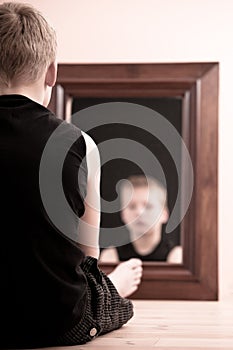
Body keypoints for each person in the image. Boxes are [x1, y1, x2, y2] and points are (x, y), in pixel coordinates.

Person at [0, 3, 141, 348]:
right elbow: (87, 258)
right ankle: (117, 286)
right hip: (58, 323)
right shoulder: (81, 145)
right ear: (51, 72)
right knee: (111, 297)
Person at [100, 175, 182, 264]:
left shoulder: (176, 256)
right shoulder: (110, 256)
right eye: (132, 206)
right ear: (123, 214)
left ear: (164, 214)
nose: (139, 213)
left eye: (148, 206)